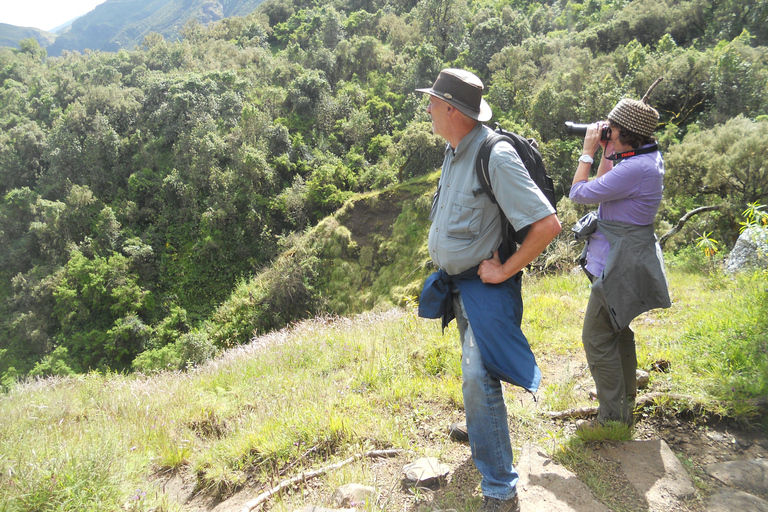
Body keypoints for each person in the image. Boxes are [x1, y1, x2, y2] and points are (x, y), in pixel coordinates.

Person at [416, 69, 561, 512]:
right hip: (459, 286)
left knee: (480, 377)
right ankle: (482, 432)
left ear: (453, 111)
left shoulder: (494, 156)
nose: (427, 109)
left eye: (433, 102)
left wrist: (505, 271)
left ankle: (501, 490)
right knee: (473, 371)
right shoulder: (455, 149)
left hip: (487, 289)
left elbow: (546, 225)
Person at [568, 83, 671, 429]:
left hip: (621, 263)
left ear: (623, 135)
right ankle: (624, 402)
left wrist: (587, 151)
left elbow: (579, 193)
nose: (603, 136)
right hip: (625, 256)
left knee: (596, 336)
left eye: (609, 133)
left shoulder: (634, 170)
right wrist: (606, 152)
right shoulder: (645, 157)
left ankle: (613, 418)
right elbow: (602, 191)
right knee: (618, 329)